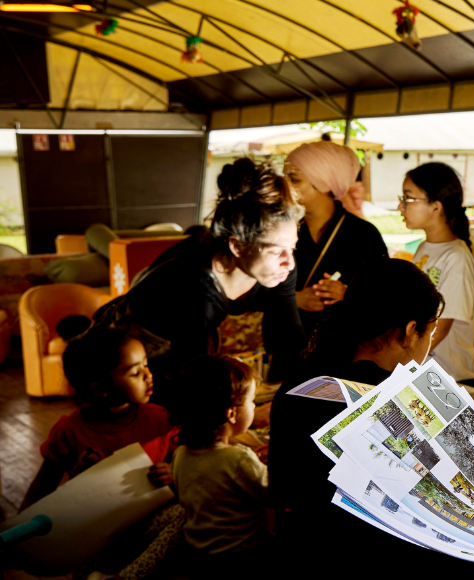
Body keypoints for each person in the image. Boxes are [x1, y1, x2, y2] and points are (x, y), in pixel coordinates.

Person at [272, 259, 474, 578]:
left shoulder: (299, 384)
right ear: (410, 332)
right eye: (431, 331)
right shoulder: (405, 401)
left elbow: (283, 491)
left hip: (304, 553)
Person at [98, 158, 305, 403]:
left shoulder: (280, 269)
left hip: (183, 357)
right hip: (126, 359)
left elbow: (289, 336)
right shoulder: (193, 285)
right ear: (237, 246)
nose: (288, 262)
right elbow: (191, 381)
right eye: (275, 251)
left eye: (292, 248)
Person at [23, 327, 175, 509]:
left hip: (150, 515)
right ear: (100, 389)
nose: (148, 376)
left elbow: (185, 462)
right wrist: (17, 528)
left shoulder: (160, 419)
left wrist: (171, 472)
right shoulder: (69, 432)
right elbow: (44, 484)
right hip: (93, 523)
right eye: (135, 373)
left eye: (146, 365)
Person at [169, 356, 272, 578]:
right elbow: (274, 495)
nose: (255, 407)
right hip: (244, 555)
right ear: (231, 413)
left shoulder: (180, 454)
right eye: (252, 401)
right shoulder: (238, 459)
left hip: (199, 554)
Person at [285, 141, 389, 335]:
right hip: (286, 345)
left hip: (343, 348)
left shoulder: (363, 234)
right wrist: (294, 298)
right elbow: (254, 288)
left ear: (323, 184)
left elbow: (384, 295)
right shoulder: (280, 228)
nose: (286, 186)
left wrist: (347, 293)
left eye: (294, 179)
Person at [400, 162, 474, 384]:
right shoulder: (424, 248)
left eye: (408, 198)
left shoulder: (456, 255)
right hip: (425, 373)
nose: (400, 206)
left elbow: (441, 326)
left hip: (451, 380)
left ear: (436, 206)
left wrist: (404, 363)